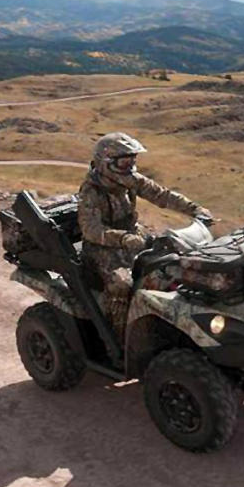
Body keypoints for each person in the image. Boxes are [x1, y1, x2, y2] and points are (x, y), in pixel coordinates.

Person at [78, 132, 212, 341]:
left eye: (132, 160)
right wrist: (123, 239)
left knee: (171, 259)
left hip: (133, 234)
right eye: (124, 161)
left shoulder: (130, 180)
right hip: (103, 247)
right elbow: (91, 230)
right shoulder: (91, 191)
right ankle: (118, 339)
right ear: (106, 163)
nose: (129, 166)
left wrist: (194, 209)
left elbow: (161, 194)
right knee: (122, 285)